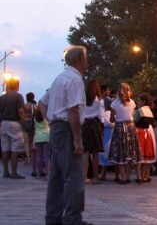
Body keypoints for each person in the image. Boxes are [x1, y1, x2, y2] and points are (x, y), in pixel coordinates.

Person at [39, 45, 89, 225]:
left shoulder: (59, 78)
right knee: (74, 176)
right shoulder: (75, 80)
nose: (87, 61)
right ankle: (73, 218)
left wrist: (52, 120)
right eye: (85, 58)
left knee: (57, 177)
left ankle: (53, 217)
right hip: (68, 130)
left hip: (57, 129)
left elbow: (42, 103)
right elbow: (73, 110)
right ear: (80, 60)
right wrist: (77, 139)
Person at [108, 83, 140, 184]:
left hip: (120, 127)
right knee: (131, 151)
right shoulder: (133, 102)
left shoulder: (114, 103)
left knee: (120, 152)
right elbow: (133, 115)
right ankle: (128, 176)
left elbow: (112, 119)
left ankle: (122, 177)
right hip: (131, 127)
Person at [0, 76, 27, 179]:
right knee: (16, 147)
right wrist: (23, 123)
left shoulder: (2, 98)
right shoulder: (18, 96)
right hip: (14, 123)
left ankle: (6, 172)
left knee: (5, 148)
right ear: (17, 85)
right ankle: (14, 172)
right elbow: (20, 111)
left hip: (3, 124)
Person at [81, 79, 104, 184]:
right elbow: (101, 115)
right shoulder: (99, 99)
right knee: (95, 152)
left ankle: (84, 177)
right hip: (95, 124)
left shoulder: (83, 98)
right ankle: (95, 177)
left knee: (85, 152)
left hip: (84, 124)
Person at [33, 106, 51, 178]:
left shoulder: (35, 118)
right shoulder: (47, 117)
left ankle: (38, 174)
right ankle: (48, 173)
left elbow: (34, 128)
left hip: (37, 138)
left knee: (39, 157)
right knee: (46, 156)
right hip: (46, 136)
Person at [24, 92, 37, 168]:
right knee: (31, 141)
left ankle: (28, 158)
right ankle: (32, 157)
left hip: (25, 124)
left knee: (26, 142)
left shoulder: (24, 106)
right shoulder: (35, 106)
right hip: (32, 124)